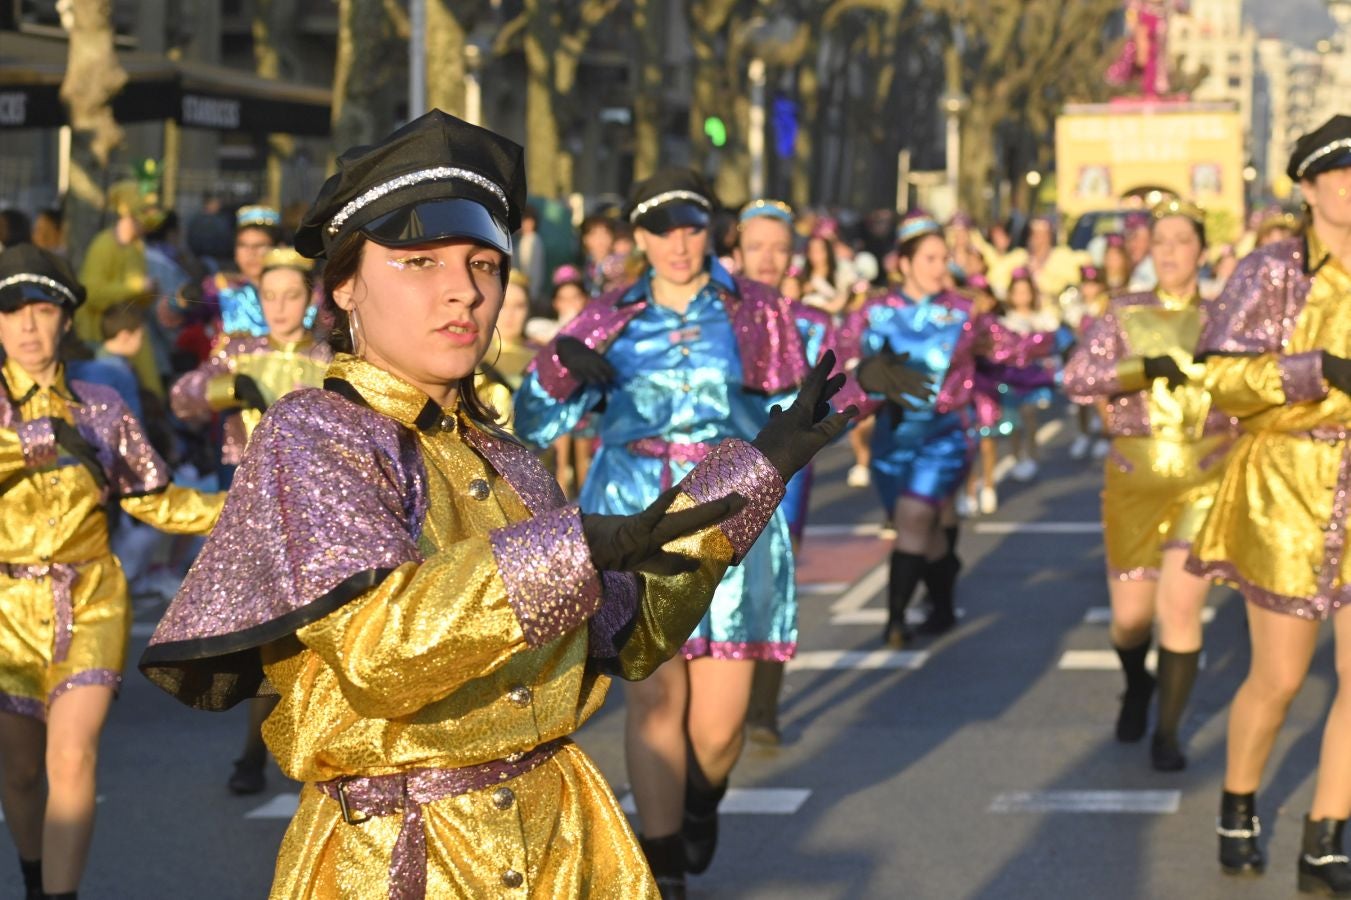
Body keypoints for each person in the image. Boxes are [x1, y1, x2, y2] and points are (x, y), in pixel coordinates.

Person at [140, 111, 849, 900]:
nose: (463, 290)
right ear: (343, 286)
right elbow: (381, 650)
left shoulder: (502, 450)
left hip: (567, 844)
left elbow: (629, 634)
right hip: (405, 859)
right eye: (418, 262)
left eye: (484, 263)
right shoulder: (314, 432)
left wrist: (749, 476)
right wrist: (570, 547)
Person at [514, 169, 865, 896]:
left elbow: (818, 393)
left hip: (732, 510)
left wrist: (868, 389)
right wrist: (555, 370)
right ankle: (663, 864)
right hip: (632, 515)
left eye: (692, 226)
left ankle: (699, 804)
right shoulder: (605, 315)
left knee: (717, 732)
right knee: (653, 702)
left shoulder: (759, 311)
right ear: (638, 237)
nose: (678, 243)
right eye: (661, 228)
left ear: (712, 233)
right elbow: (530, 425)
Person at [0, 245, 222, 900]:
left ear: (68, 319)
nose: (28, 327)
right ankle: (35, 881)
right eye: (12, 313)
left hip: (90, 595)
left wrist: (244, 504)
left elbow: (155, 499)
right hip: (5, 604)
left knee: (71, 757)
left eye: (42, 311)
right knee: (18, 772)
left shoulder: (101, 405)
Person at [1184, 115, 1351, 893]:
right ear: (1309, 186)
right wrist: (1314, 370)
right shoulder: (1271, 270)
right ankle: (1239, 800)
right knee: (1279, 679)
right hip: (1285, 484)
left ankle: (1324, 835)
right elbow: (1218, 378)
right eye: (1339, 173)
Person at [1064, 200, 1239, 776]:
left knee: (1180, 608)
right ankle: (1137, 685)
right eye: (1159, 240)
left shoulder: (1226, 316)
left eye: (1181, 241)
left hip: (1206, 477)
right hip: (1136, 479)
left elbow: (1252, 391)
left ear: (1200, 251)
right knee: (1132, 619)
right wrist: (1140, 370)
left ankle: (1168, 731)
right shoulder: (1123, 312)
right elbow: (1078, 378)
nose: (1169, 251)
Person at [839, 214, 992, 646]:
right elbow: (842, 353)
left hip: (946, 433)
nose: (940, 266)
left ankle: (895, 620)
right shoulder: (874, 311)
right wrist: (863, 372)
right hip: (892, 434)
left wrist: (1059, 346)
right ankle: (943, 602)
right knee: (923, 528)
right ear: (903, 263)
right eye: (929, 258)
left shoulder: (964, 310)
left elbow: (1004, 346)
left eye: (944, 258)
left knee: (914, 517)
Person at [76, 182, 161, 396]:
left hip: (130, 335)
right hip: (100, 339)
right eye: (145, 211)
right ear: (129, 213)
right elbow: (91, 293)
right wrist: (135, 287)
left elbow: (137, 295)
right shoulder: (103, 245)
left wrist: (146, 292)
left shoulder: (135, 248)